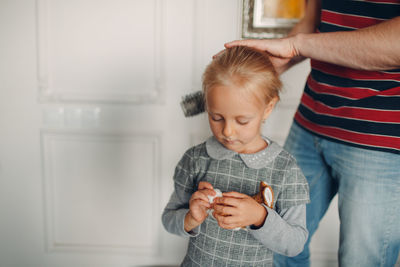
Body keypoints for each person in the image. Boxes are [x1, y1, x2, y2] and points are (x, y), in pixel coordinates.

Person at [224, 0, 400, 266]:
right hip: (311, 120)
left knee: (360, 260)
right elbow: (314, 19)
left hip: (379, 139)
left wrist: (297, 45)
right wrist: (266, 67)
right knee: (276, 241)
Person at [162, 46, 310, 266]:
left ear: (268, 108)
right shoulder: (196, 159)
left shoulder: (285, 169)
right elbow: (169, 220)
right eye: (216, 117)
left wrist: (260, 217)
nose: (228, 131)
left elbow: (295, 243)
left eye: (242, 121)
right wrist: (190, 218)